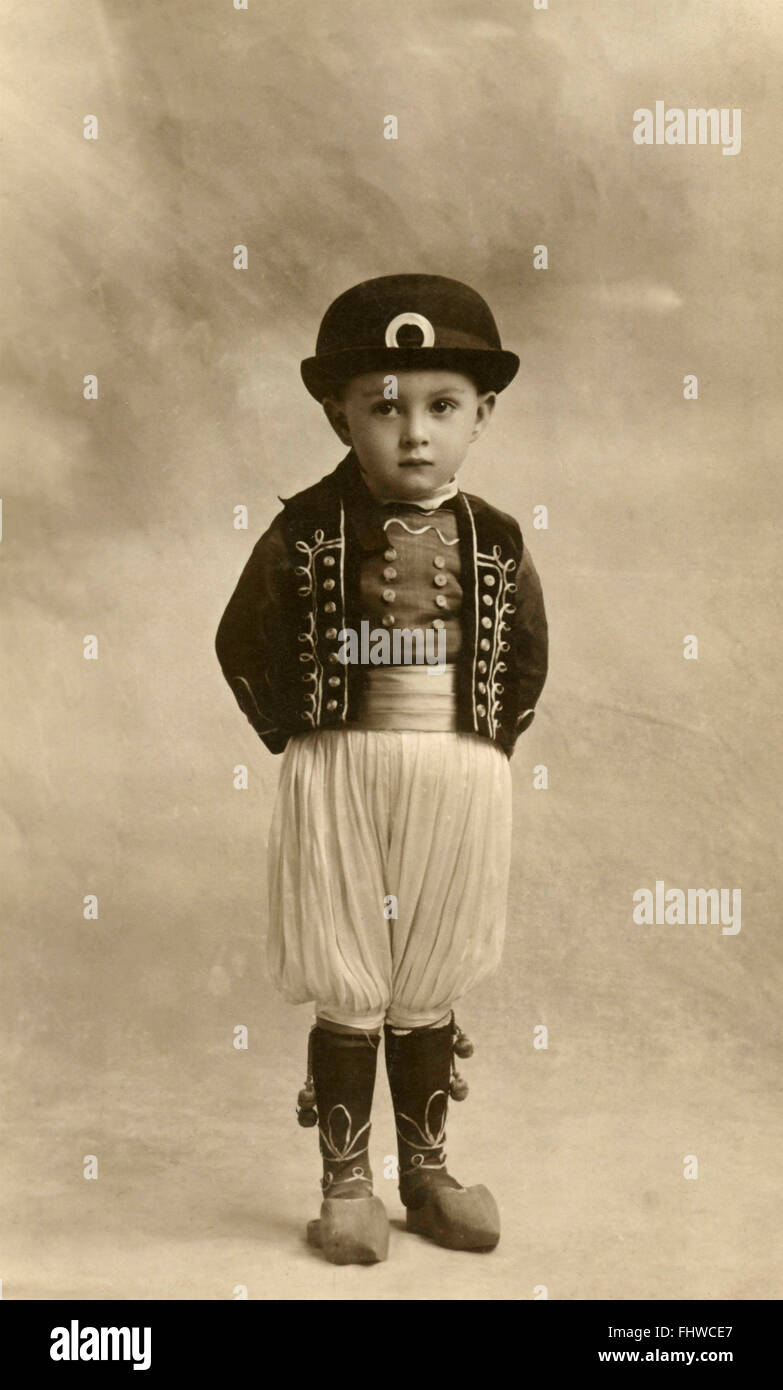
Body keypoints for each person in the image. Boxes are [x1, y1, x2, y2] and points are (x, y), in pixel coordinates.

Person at [215, 274, 548, 1264]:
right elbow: (242, 638)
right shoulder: (306, 530)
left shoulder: (499, 539)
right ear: (339, 413)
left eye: (441, 405)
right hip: (343, 765)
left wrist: (490, 745)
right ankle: (347, 1182)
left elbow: (525, 653)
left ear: (481, 414)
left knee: (431, 973)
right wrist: (301, 732)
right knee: (349, 967)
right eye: (384, 407)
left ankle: (429, 1172)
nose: (413, 433)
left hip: (456, 768)